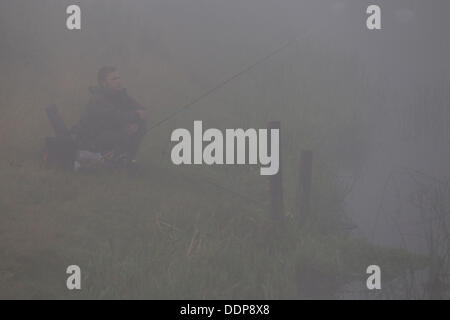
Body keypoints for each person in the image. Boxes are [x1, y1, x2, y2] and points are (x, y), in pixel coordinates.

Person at [71, 66, 148, 166]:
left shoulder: (120, 95)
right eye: (114, 79)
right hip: (91, 138)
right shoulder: (97, 99)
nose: (118, 81)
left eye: (119, 77)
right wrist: (136, 117)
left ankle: (127, 158)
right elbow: (115, 117)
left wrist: (136, 121)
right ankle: (109, 159)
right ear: (104, 83)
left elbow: (139, 108)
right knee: (124, 131)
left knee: (140, 125)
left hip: (108, 132)